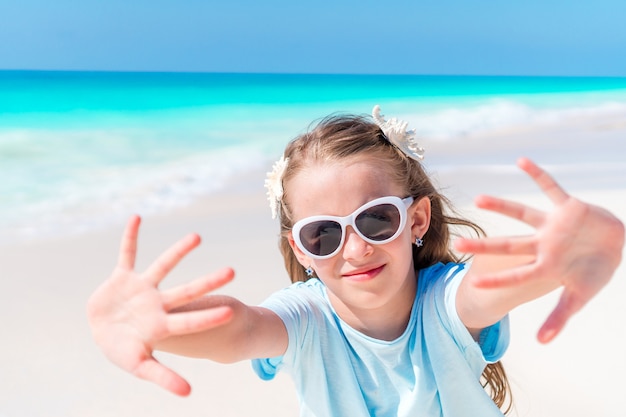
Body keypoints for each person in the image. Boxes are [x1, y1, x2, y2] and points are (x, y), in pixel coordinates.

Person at [87, 106, 624, 416]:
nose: (356, 248)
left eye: (375, 220)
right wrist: (156, 326)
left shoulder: (444, 302)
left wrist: (558, 254)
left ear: (415, 221)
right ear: (301, 249)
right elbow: (240, 328)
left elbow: (489, 284)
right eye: (323, 234)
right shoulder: (306, 319)